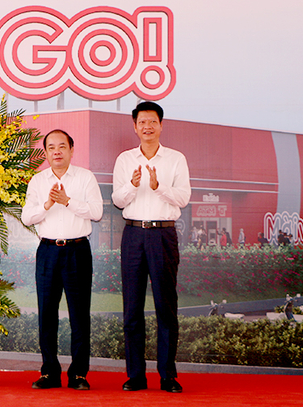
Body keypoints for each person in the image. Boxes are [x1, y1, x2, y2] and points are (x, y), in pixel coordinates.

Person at [112, 101, 190, 394]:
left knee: (165, 307)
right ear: (134, 126)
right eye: (142, 122)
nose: (147, 127)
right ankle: (136, 375)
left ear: (161, 125)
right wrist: (133, 185)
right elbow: (119, 200)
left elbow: (183, 198)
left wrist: (159, 187)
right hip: (133, 235)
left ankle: (168, 375)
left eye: (153, 122)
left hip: (163, 236)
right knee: (132, 308)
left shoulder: (175, 159)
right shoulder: (124, 159)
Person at [21, 129, 103, 391]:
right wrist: (47, 205)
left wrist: (67, 201)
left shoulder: (85, 178)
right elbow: (26, 217)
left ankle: (78, 373)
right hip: (47, 252)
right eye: (51, 148)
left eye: (62, 147)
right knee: (46, 313)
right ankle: (49, 373)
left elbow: (97, 212)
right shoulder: (37, 181)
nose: (57, 151)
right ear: (45, 153)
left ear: (71, 150)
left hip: (77, 250)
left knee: (79, 314)